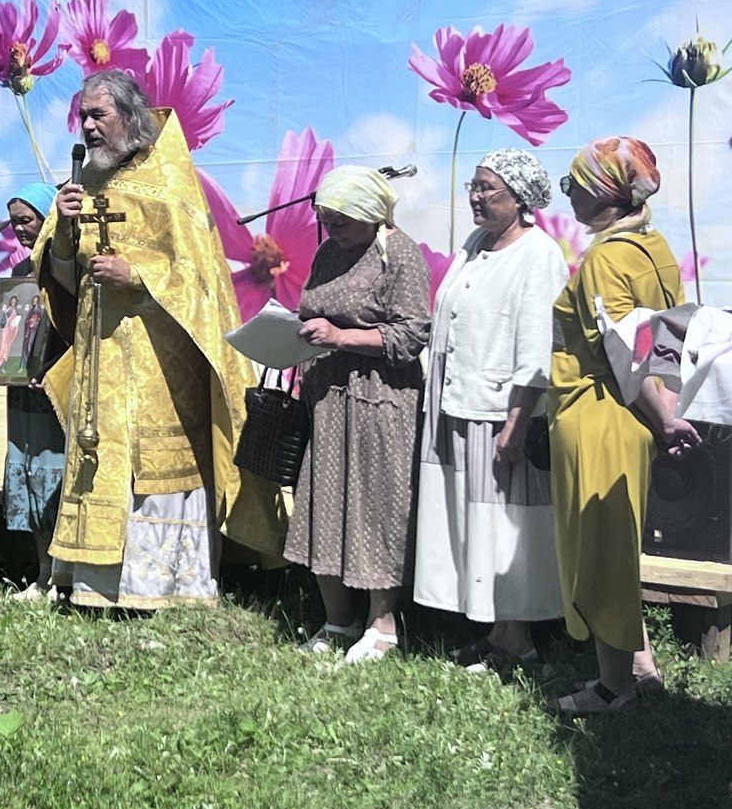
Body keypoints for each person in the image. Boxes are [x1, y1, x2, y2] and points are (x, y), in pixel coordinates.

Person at [31, 69, 283, 610]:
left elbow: (202, 279)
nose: (88, 126)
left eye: (99, 114)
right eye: (83, 116)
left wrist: (138, 276)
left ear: (129, 116)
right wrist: (64, 236)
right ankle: (95, 585)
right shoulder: (82, 185)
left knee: (156, 466)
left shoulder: (170, 181)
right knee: (100, 456)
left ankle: (164, 586)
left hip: (161, 362)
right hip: (100, 356)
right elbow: (63, 281)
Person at [548, 136, 701, 714]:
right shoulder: (652, 246)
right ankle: (640, 667)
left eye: (574, 184)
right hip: (640, 415)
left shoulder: (605, 258)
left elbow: (621, 348)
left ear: (604, 192)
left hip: (601, 413)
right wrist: (667, 413)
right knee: (620, 544)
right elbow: (671, 339)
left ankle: (613, 689)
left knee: (600, 552)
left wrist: (664, 421)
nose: (568, 195)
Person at [412, 149, 568, 672]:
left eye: (487, 188)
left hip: (500, 413)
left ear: (520, 199)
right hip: (458, 405)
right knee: (472, 521)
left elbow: (538, 350)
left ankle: (518, 639)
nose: (476, 197)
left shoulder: (538, 255)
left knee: (505, 524)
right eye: (473, 186)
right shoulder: (476, 244)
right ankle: (497, 629)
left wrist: (516, 426)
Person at [284, 165, 430, 661]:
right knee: (324, 502)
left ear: (371, 214)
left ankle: (382, 624)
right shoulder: (328, 252)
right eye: (326, 220)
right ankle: (337, 620)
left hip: (380, 399)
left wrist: (342, 336)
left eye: (342, 221)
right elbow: (312, 308)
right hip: (328, 397)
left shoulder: (399, 254)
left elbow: (411, 335)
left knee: (376, 505)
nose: (333, 230)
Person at [0, 182, 65, 600]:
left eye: (27, 220)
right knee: (27, 471)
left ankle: (63, 574)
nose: (20, 229)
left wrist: (52, 366)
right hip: (23, 388)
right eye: (14, 222)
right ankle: (43, 574)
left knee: (53, 473)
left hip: (57, 388)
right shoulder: (20, 270)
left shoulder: (65, 267)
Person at [0, 295, 22, 371]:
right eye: (12, 301)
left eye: (14, 302)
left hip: (9, 332)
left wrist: (13, 326)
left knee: (6, 348)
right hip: (4, 331)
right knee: (2, 348)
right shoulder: (7, 310)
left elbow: (14, 324)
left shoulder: (14, 312)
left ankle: (2, 367)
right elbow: (3, 321)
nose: (13, 303)